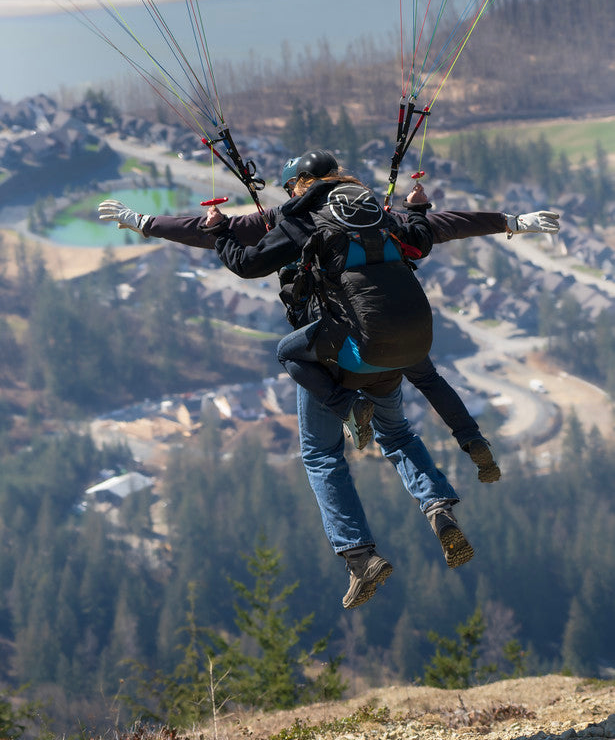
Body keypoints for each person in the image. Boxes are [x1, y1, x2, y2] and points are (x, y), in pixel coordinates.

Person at [98, 152, 559, 609]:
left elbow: (221, 236)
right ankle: (438, 509)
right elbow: (445, 224)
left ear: (300, 182)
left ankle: (360, 556)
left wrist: (144, 222)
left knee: (322, 455)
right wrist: (514, 221)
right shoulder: (374, 210)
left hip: (335, 353)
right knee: (397, 435)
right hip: (392, 350)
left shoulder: (296, 217)